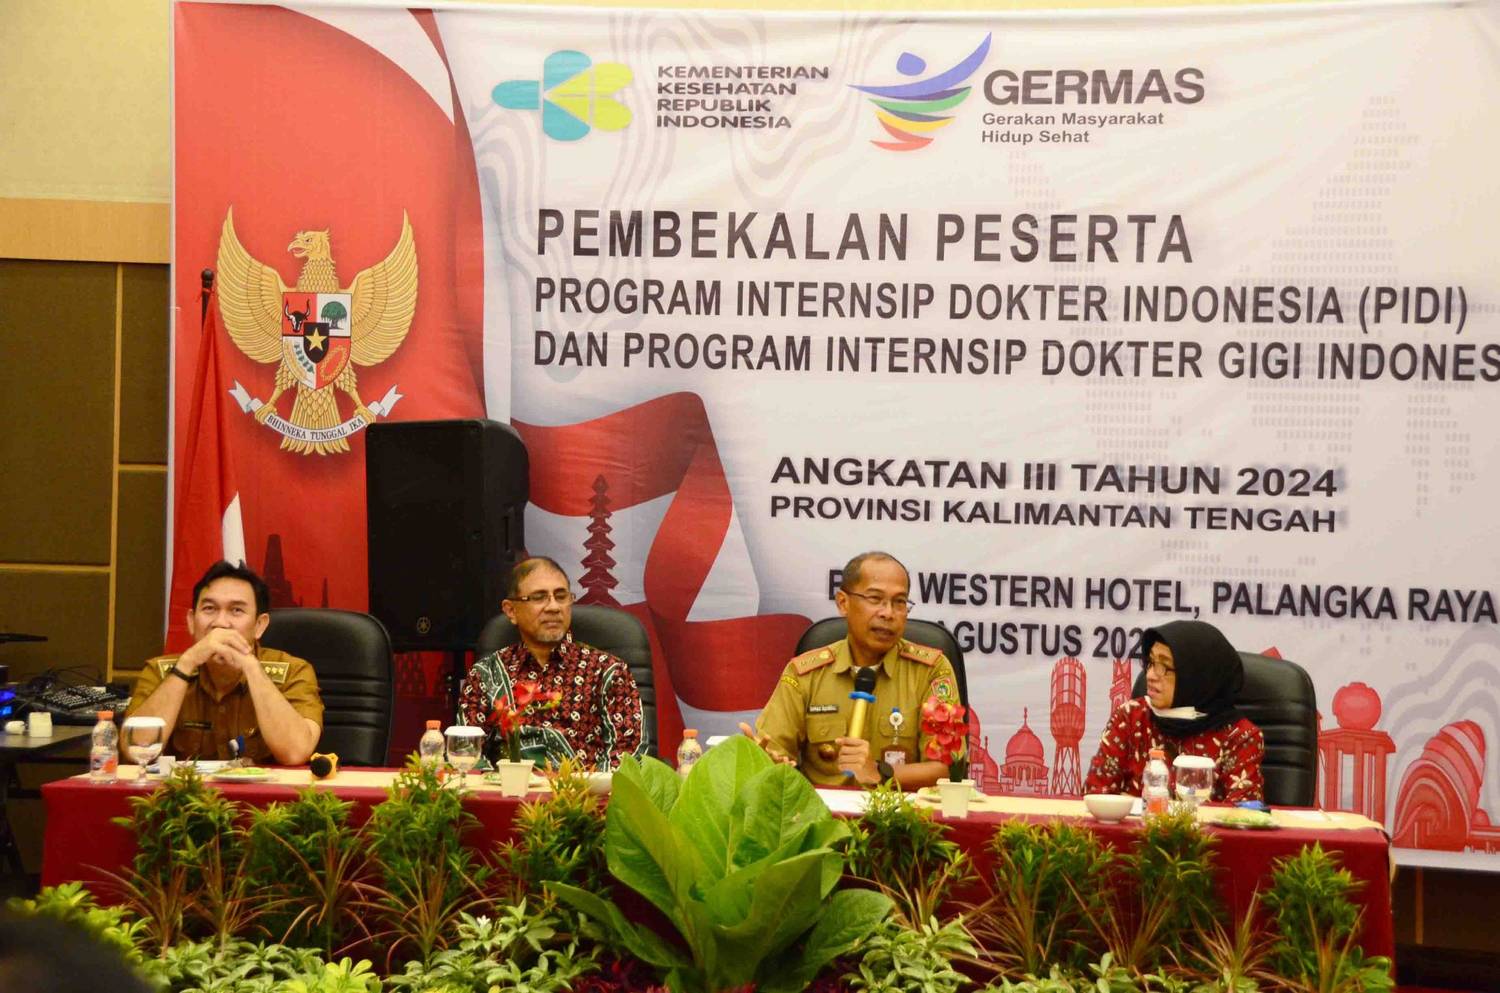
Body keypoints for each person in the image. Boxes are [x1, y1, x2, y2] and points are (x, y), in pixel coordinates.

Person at [743, 551, 962, 789]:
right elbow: (773, 751)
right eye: (875, 599)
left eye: (899, 602)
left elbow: (949, 769)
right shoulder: (805, 674)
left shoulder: (931, 671)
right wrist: (769, 763)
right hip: (823, 810)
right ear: (843, 603)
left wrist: (881, 772)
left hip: (899, 811)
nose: (888, 613)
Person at [125, 561, 322, 765]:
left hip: (264, 787)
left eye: (236, 610)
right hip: (184, 786)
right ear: (191, 621)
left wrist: (251, 667)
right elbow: (136, 749)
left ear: (259, 626)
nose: (220, 623)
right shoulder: (160, 672)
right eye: (209, 609)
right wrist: (186, 664)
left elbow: (295, 753)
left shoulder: (293, 672)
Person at [458, 556, 646, 770]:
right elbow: (466, 754)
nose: (554, 607)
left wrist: (582, 788)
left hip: (585, 789)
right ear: (511, 610)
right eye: (539, 597)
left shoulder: (607, 671)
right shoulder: (485, 674)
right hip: (506, 789)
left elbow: (629, 756)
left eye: (561, 596)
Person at [1085, 619, 1265, 802]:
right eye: (1150, 662)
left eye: (1165, 667)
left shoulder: (1239, 737)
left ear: (1196, 675)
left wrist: (1139, 804)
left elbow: (1243, 813)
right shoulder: (1131, 717)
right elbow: (1096, 796)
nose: (1150, 675)